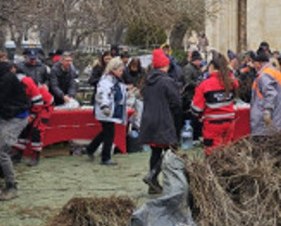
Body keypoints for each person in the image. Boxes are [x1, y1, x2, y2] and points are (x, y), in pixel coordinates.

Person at [138, 49, 182, 194]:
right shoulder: (166, 81)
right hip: (164, 119)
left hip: (149, 119)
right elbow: (176, 102)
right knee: (170, 150)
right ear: (165, 65)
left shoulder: (147, 81)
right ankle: (153, 176)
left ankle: (153, 185)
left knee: (156, 151)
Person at [191, 53, 238, 155]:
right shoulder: (231, 82)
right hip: (230, 122)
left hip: (212, 125)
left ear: (211, 67)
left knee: (212, 155)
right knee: (227, 153)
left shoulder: (205, 85)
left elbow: (196, 109)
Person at [85, 57, 128, 166]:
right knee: (109, 133)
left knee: (106, 132)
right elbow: (101, 95)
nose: (121, 73)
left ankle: (91, 148)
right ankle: (105, 157)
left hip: (109, 110)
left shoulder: (113, 80)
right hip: (106, 111)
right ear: (113, 70)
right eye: (120, 70)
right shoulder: (106, 81)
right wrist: (104, 107)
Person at [0, 58, 30, 200]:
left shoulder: (6, 77)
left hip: (16, 117)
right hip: (5, 114)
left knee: (1, 150)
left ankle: (11, 186)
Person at [250, 51, 281, 136]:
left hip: (272, 117)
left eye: (254, 63)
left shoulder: (265, 75)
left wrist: (267, 111)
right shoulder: (274, 72)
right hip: (280, 114)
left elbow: (270, 94)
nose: (253, 66)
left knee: (267, 143)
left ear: (259, 64)